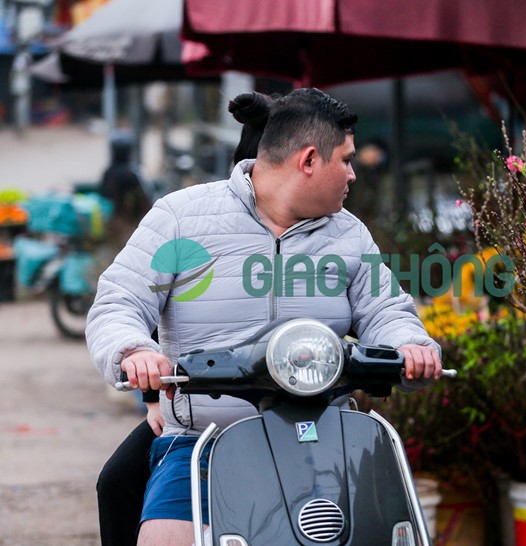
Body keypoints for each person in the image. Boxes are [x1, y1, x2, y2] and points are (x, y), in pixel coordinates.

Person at [86, 88, 442, 546]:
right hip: (202, 442)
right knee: (164, 538)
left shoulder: (350, 235)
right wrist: (134, 350)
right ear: (309, 160)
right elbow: (118, 303)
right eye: (347, 160)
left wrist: (411, 345)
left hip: (327, 441)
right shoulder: (181, 218)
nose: (354, 174)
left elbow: (387, 311)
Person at [93, 92, 275, 546]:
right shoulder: (183, 219)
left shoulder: (335, 235)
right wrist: (153, 395)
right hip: (194, 415)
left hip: (299, 423)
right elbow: (138, 311)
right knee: (115, 483)